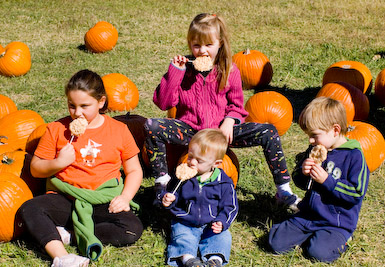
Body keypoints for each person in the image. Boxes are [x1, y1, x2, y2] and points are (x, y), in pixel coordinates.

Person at [145, 12, 298, 210]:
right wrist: (175, 72)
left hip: (222, 133)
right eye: (196, 45)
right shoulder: (184, 70)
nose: (202, 51)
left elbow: (237, 105)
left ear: (220, 43)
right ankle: (162, 183)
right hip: (191, 131)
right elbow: (163, 102)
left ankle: (283, 190)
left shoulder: (230, 70)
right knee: (151, 126)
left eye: (208, 45)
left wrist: (230, 120)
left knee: (269, 131)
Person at [18, 69, 144, 267]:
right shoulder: (57, 129)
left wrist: (125, 197)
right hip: (65, 198)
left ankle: (71, 234)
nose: (77, 113)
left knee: (131, 228)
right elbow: (35, 168)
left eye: (85, 106)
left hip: (102, 198)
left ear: (101, 102)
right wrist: (59, 162)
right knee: (30, 208)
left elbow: (134, 170)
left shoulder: (119, 130)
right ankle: (61, 257)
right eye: (71, 106)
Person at [268, 97, 370, 262]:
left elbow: (356, 193)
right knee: (275, 242)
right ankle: (309, 236)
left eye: (314, 135)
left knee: (319, 253)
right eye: (309, 136)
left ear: (335, 130)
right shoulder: (314, 150)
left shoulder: (354, 157)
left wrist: (327, 181)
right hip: (308, 215)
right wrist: (303, 173)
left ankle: (340, 239)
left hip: (336, 223)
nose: (310, 141)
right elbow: (301, 182)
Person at [160, 129, 237, 267]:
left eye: (199, 160)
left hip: (210, 223)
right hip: (185, 221)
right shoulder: (181, 177)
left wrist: (222, 221)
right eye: (190, 156)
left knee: (223, 237)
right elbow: (172, 192)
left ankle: (215, 260)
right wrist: (168, 200)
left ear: (216, 163)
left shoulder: (224, 183)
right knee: (182, 236)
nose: (192, 162)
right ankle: (188, 259)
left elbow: (230, 206)